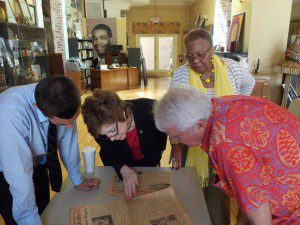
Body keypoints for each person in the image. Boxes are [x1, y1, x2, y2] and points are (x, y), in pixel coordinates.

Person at [154, 85, 300, 225]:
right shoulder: (217, 106)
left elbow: (257, 203)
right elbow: (249, 185)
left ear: (198, 125)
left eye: (178, 137)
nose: (177, 142)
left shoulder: (224, 142)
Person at [170, 29, 255, 224]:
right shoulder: (181, 75)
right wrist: (175, 143)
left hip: (224, 142)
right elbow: (173, 111)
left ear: (212, 50)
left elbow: (248, 84)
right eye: (190, 57)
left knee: (219, 194)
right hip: (193, 142)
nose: (195, 61)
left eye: (200, 55)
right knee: (191, 192)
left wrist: (238, 106)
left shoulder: (233, 69)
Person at [0, 76, 100, 225]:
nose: (69, 127)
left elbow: (68, 144)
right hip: (6, 172)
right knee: (19, 217)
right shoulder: (9, 113)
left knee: (44, 211)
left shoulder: (60, 97)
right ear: (37, 107)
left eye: (72, 121)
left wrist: (76, 178)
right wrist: (29, 220)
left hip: (39, 162)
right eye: (63, 123)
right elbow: (19, 174)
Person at [81, 89, 167, 200]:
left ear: (122, 114)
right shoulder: (102, 132)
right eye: (106, 135)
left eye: (112, 131)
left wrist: (175, 144)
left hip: (150, 164)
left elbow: (164, 133)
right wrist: (123, 169)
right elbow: (109, 154)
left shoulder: (150, 109)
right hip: (125, 165)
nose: (110, 139)